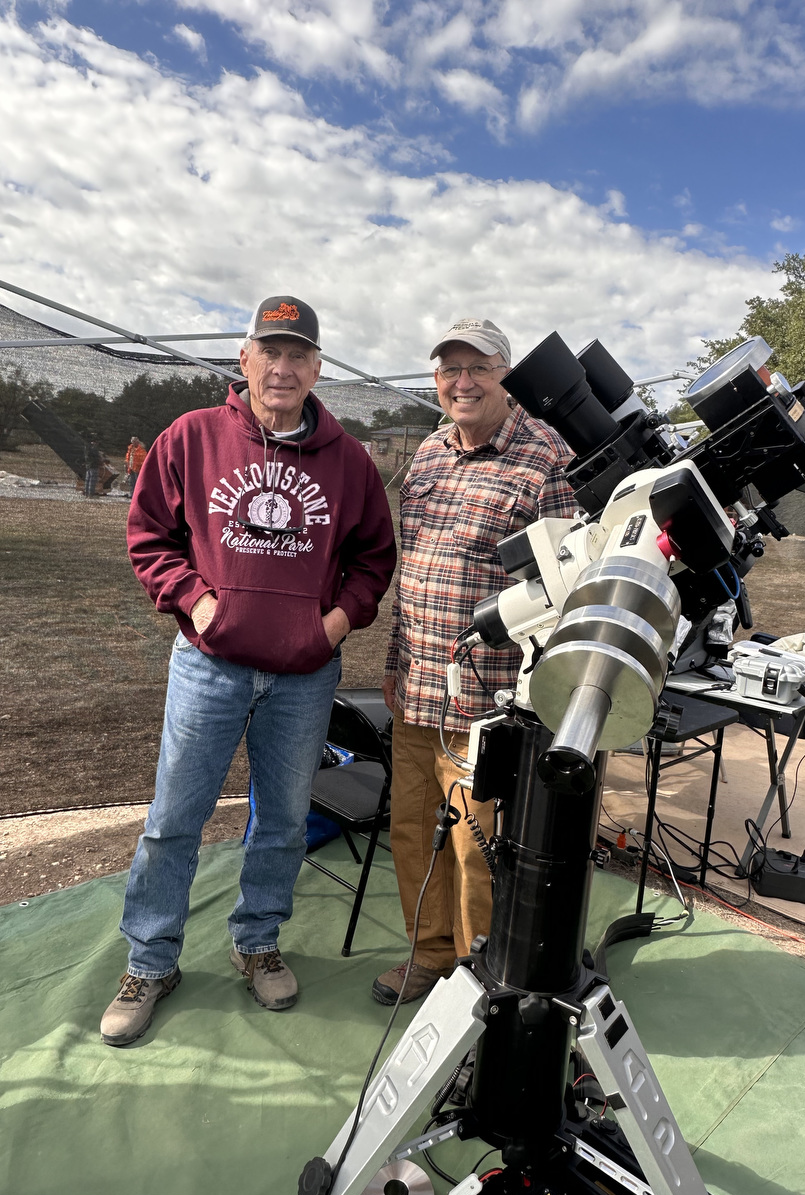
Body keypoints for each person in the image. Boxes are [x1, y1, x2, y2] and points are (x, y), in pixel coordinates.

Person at [100, 294, 396, 1046]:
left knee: (284, 821)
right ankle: (151, 960)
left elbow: (372, 559)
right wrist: (197, 604)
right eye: (271, 351)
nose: (284, 367)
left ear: (318, 368)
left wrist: (332, 625)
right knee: (174, 818)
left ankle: (257, 940)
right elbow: (149, 537)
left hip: (303, 677)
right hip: (209, 666)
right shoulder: (192, 437)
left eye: (299, 354)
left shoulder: (350, 460)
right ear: (245, 359)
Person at [375, 318, 575, 1006]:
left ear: (505, 374)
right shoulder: (428, 453)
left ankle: (478, 982)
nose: (462, 382)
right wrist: (396, 660)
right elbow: (416, 569)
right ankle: (427, 957)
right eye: (448, 369)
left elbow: (568, 584)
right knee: (412, 835)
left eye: (478, 367)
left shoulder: (548, 456)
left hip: (487, 704)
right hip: (416, 686)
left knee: (476, 850)